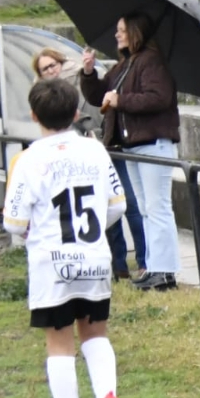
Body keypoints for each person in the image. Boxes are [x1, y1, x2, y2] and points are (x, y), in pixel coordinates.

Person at [1, 77, 127, 398]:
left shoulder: (27, 159)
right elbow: (117, 204)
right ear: (76, 113)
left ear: (34, 116)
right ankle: (106, 394)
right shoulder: (95, 150)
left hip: (50, 265)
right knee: (96, 335)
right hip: (93, 259)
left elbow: (14, 223)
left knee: (59, 346)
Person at [79, 11, 182, 292]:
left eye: (122, 30)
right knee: (147, 209)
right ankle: (153, 266)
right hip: (134, 144)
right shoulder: (125, 64)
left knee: (158, 207)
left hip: (153, 143)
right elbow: (100, 93)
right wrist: (88, 73)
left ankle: (165, 271)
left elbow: (158, 98)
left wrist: (121, 100)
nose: (117, 34)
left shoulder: (151, 61)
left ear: (135, 32)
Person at [35, 46, 145, 280]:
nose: (51, 71)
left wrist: (88, 71)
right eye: (45, 69)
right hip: (82, 154)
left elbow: (101, 100)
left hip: (110, 144)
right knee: (106, 206)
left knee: (129, 203)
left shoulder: (83, 75)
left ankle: (144, 261)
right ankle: (119, 266)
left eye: (53, 65)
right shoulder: (46, 96)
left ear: (61, 62)